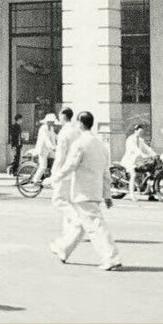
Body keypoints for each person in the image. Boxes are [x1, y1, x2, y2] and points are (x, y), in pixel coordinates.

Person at [48, 111, 121, 271]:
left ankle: (111, 257)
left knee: (95, 226)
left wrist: (54, 178)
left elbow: (70, 166)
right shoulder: (100, 144)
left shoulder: (80, 143)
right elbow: (105, 173)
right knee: (82, 224)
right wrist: (107, 194)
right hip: (94, 191)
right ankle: (63, 249)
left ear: (80, 124)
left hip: (82, 191)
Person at [49, 107, 82, 245]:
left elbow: (60, 155)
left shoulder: (64, 132)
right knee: (69, 200)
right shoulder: (76, 130)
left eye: (59, 115)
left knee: (58, 200)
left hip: (64, 170)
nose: (59, 118)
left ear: (63, 116)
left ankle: (77, 221)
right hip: (74, 171)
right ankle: (68, 231)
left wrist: (54, 173)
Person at [119, 124, 158, 199]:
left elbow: (147, 148)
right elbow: (135, 149)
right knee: (133, 174)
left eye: (142, 132)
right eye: (139, 132)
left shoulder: (140, 140)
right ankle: (132, 195)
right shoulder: (130, 139)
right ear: (135, 131)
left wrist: (154, 154)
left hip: (138, 161)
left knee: (150, 173)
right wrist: (143, 155)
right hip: (129, 160)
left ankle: (150, 194)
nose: (140, 133)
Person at [32, 113, 58, 180]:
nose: (53, 123)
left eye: (53, 121)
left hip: (49, 149)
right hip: (42, 149)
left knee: (57, 159)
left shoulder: (51, 128)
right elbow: (45, 139)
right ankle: (35, 180)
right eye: (52, 121)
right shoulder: (43, 128)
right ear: (48, 121)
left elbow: (54, 136)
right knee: (43, 166)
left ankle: (50, 175)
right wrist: (52, 147)